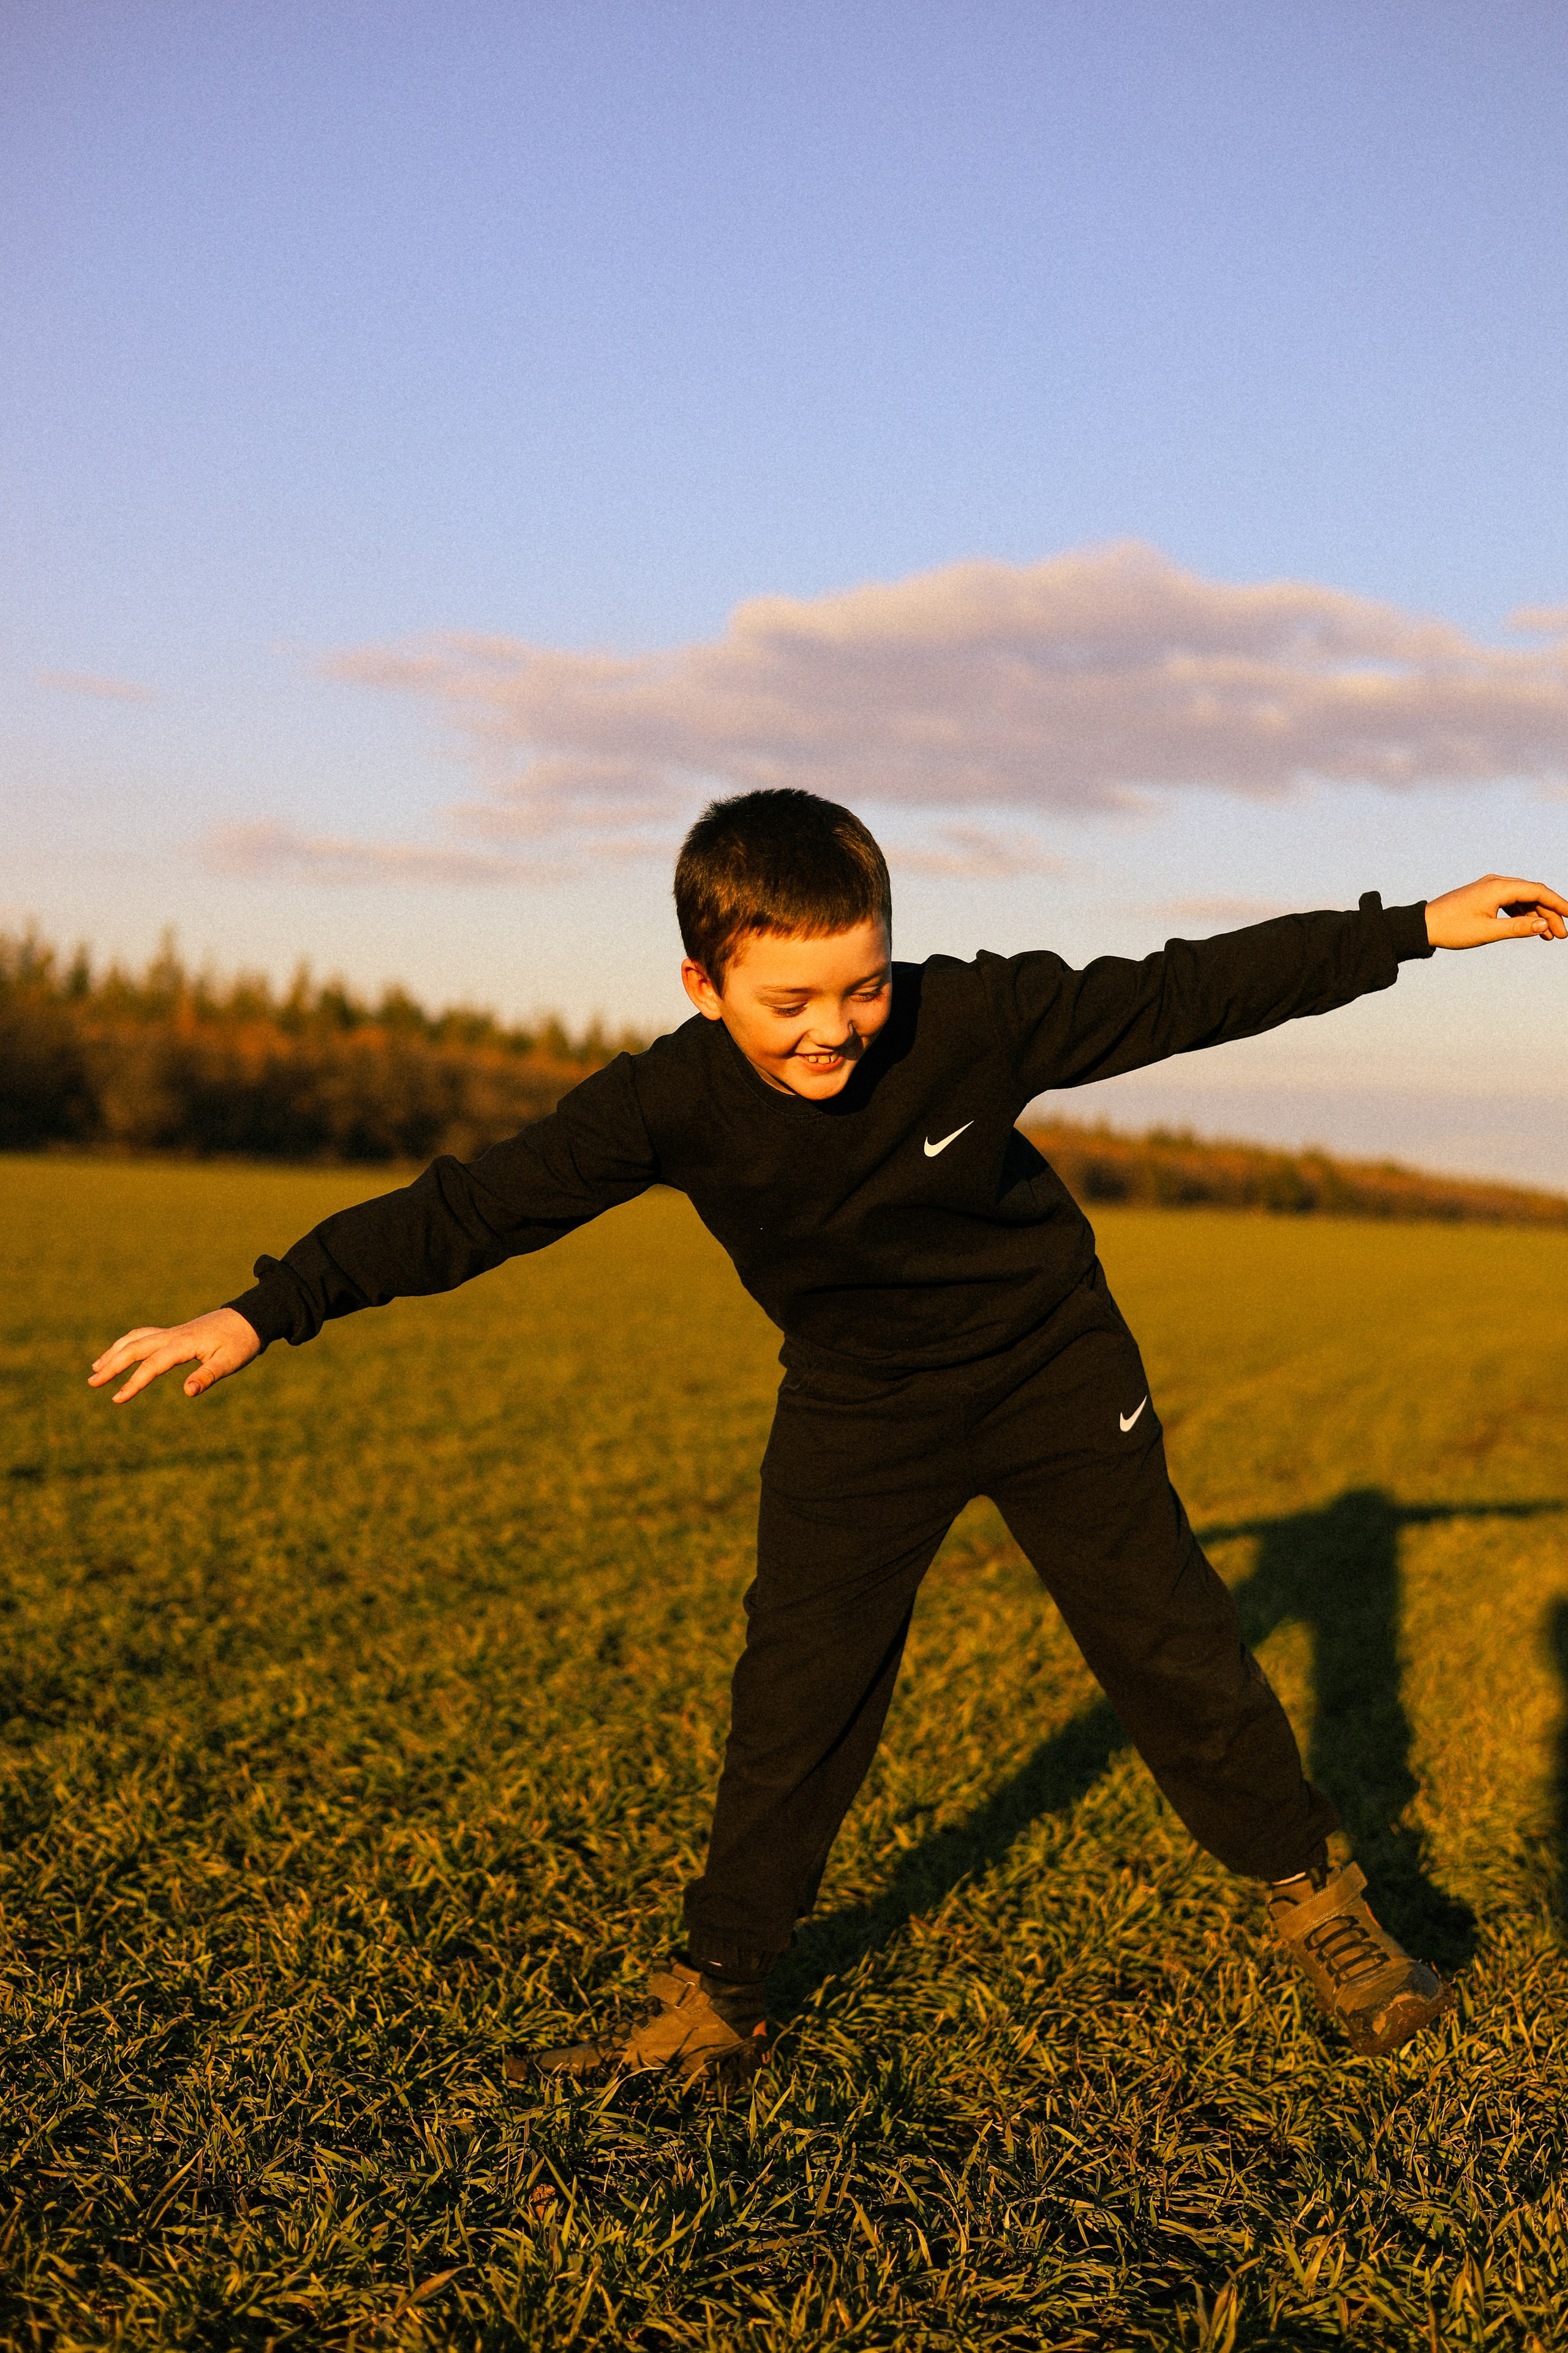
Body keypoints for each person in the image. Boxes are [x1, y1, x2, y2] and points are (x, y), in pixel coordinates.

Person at [91, 791, 1566, 2085]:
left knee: (1169, 1643)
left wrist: (1416, 927)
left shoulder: (964, 1018)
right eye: (788, 1000)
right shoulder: (666, 1098)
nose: (833, 1030)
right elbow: (476, 1205)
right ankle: (720, 1995)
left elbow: (1183, 988)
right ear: (702, 979)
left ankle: (1322, 1914)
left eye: (857, 988)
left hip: (1050, 1369)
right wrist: (264, 1309)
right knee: (794, 1695)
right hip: (860, 1406)